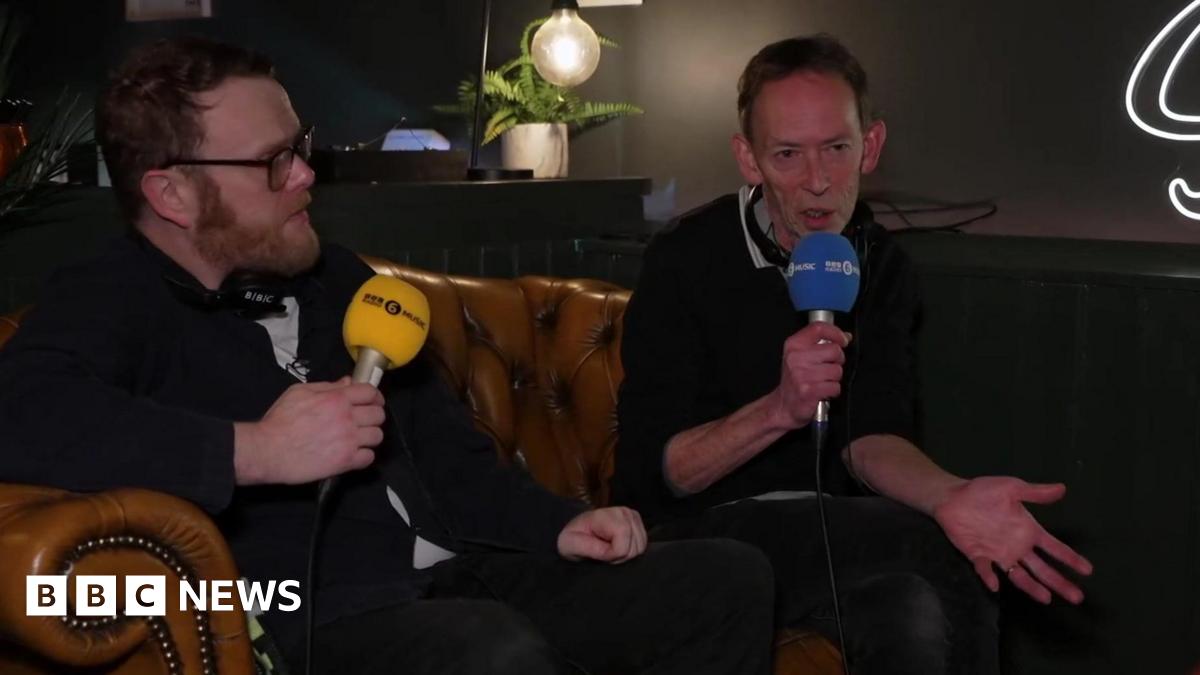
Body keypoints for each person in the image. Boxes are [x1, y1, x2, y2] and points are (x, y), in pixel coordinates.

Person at [0, 37, 776, 675]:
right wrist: (255, 450)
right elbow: (22, 413)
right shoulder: (110, 295)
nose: (305, 174)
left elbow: (453, 463)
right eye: (273, 161)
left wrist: (559, 526)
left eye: (299, 147)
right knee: (490, 650)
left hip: (462, 574)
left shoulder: (341, 279)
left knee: (722, 578)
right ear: (171, 194)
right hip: (314, 616)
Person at [613, 34, 1094, 675]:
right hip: (699, 536)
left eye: (837, 149)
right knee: (928, 546)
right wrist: (780, 410)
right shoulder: (685, 258)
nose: (817, 182)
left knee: (912, 616)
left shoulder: (879, 263)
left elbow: (871, 435)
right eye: (787, 154)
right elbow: (663, 473)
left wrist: (951, 495)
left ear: (869, 146)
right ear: (748, 159)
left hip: (832, 535)